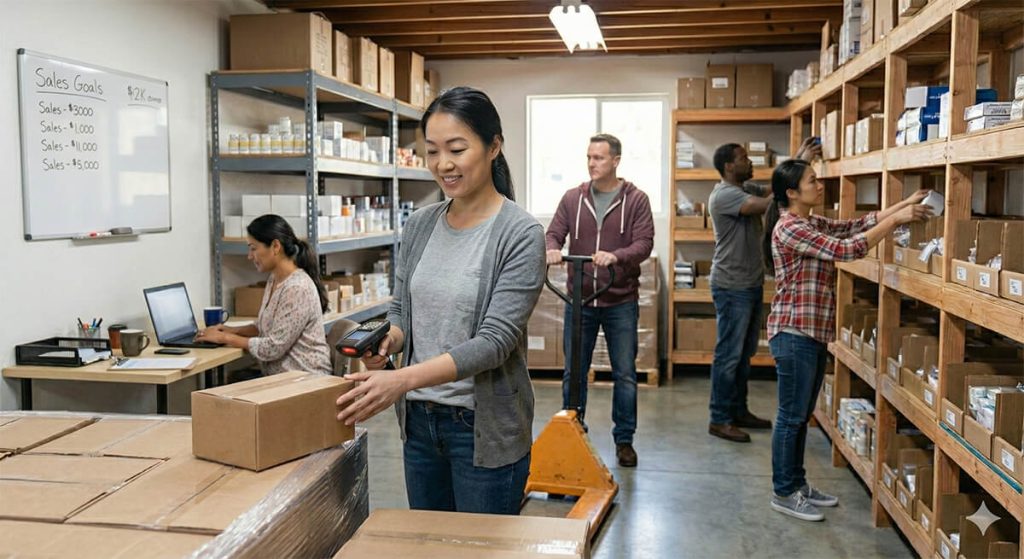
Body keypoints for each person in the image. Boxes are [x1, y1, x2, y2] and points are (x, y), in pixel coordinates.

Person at [335, 87, 546, 515]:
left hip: (480, 430)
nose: (442, 165)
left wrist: (402, 379)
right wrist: (386, 344)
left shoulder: (521, 234)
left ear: (494, 147)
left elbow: (494, 343)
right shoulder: (419, 225)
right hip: (418, 424)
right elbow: (401, 312)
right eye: (431, 151)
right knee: (431, 544)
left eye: (456, 148)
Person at [764, 159, 932, 521]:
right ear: (792, 192)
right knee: (791, 418)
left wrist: (902, 205)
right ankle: (783, 491)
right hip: (794, 332)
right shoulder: (789, 228)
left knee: (802, 415)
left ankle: (797, 483)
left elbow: (854, 226)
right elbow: (847, 249)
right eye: (812, 181)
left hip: (810, 332)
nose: (819, 185)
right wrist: (897, 221)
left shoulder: (810, 221)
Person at [545, 133, 655, 468]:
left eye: (600, 158)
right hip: (579, 300)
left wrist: (616, 256)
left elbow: (644, 243)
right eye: (589, 157)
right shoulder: (572, 198)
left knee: (624, 373)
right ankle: (574, 430)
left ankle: (624, 440)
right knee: (573, 372)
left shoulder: (636, 200)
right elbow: (554, 232)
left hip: (620, 300)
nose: (592, 163)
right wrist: (551, 247)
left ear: (616, 161)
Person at [706, 139, 821, 443]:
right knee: (729, 355)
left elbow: (773, 191)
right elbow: (773, 202)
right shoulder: (725, 196)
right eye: (743, 158)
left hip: (749, 283)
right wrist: (798, 169)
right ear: (729, 166)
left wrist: (796, 162)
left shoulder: (745, 188)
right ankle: (719, 419)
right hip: (731, 286)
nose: (750, 162)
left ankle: (738, 410)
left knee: (744, 354)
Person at [196, 214, 332, 376]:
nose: (249, 256)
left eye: (254, 248)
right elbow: (264, 327)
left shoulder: (297, 288)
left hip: (306, 380)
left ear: (275, 246)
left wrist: (224, 338)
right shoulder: (275, 279)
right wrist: (230, 330)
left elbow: (272, 348)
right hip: (285, 379)